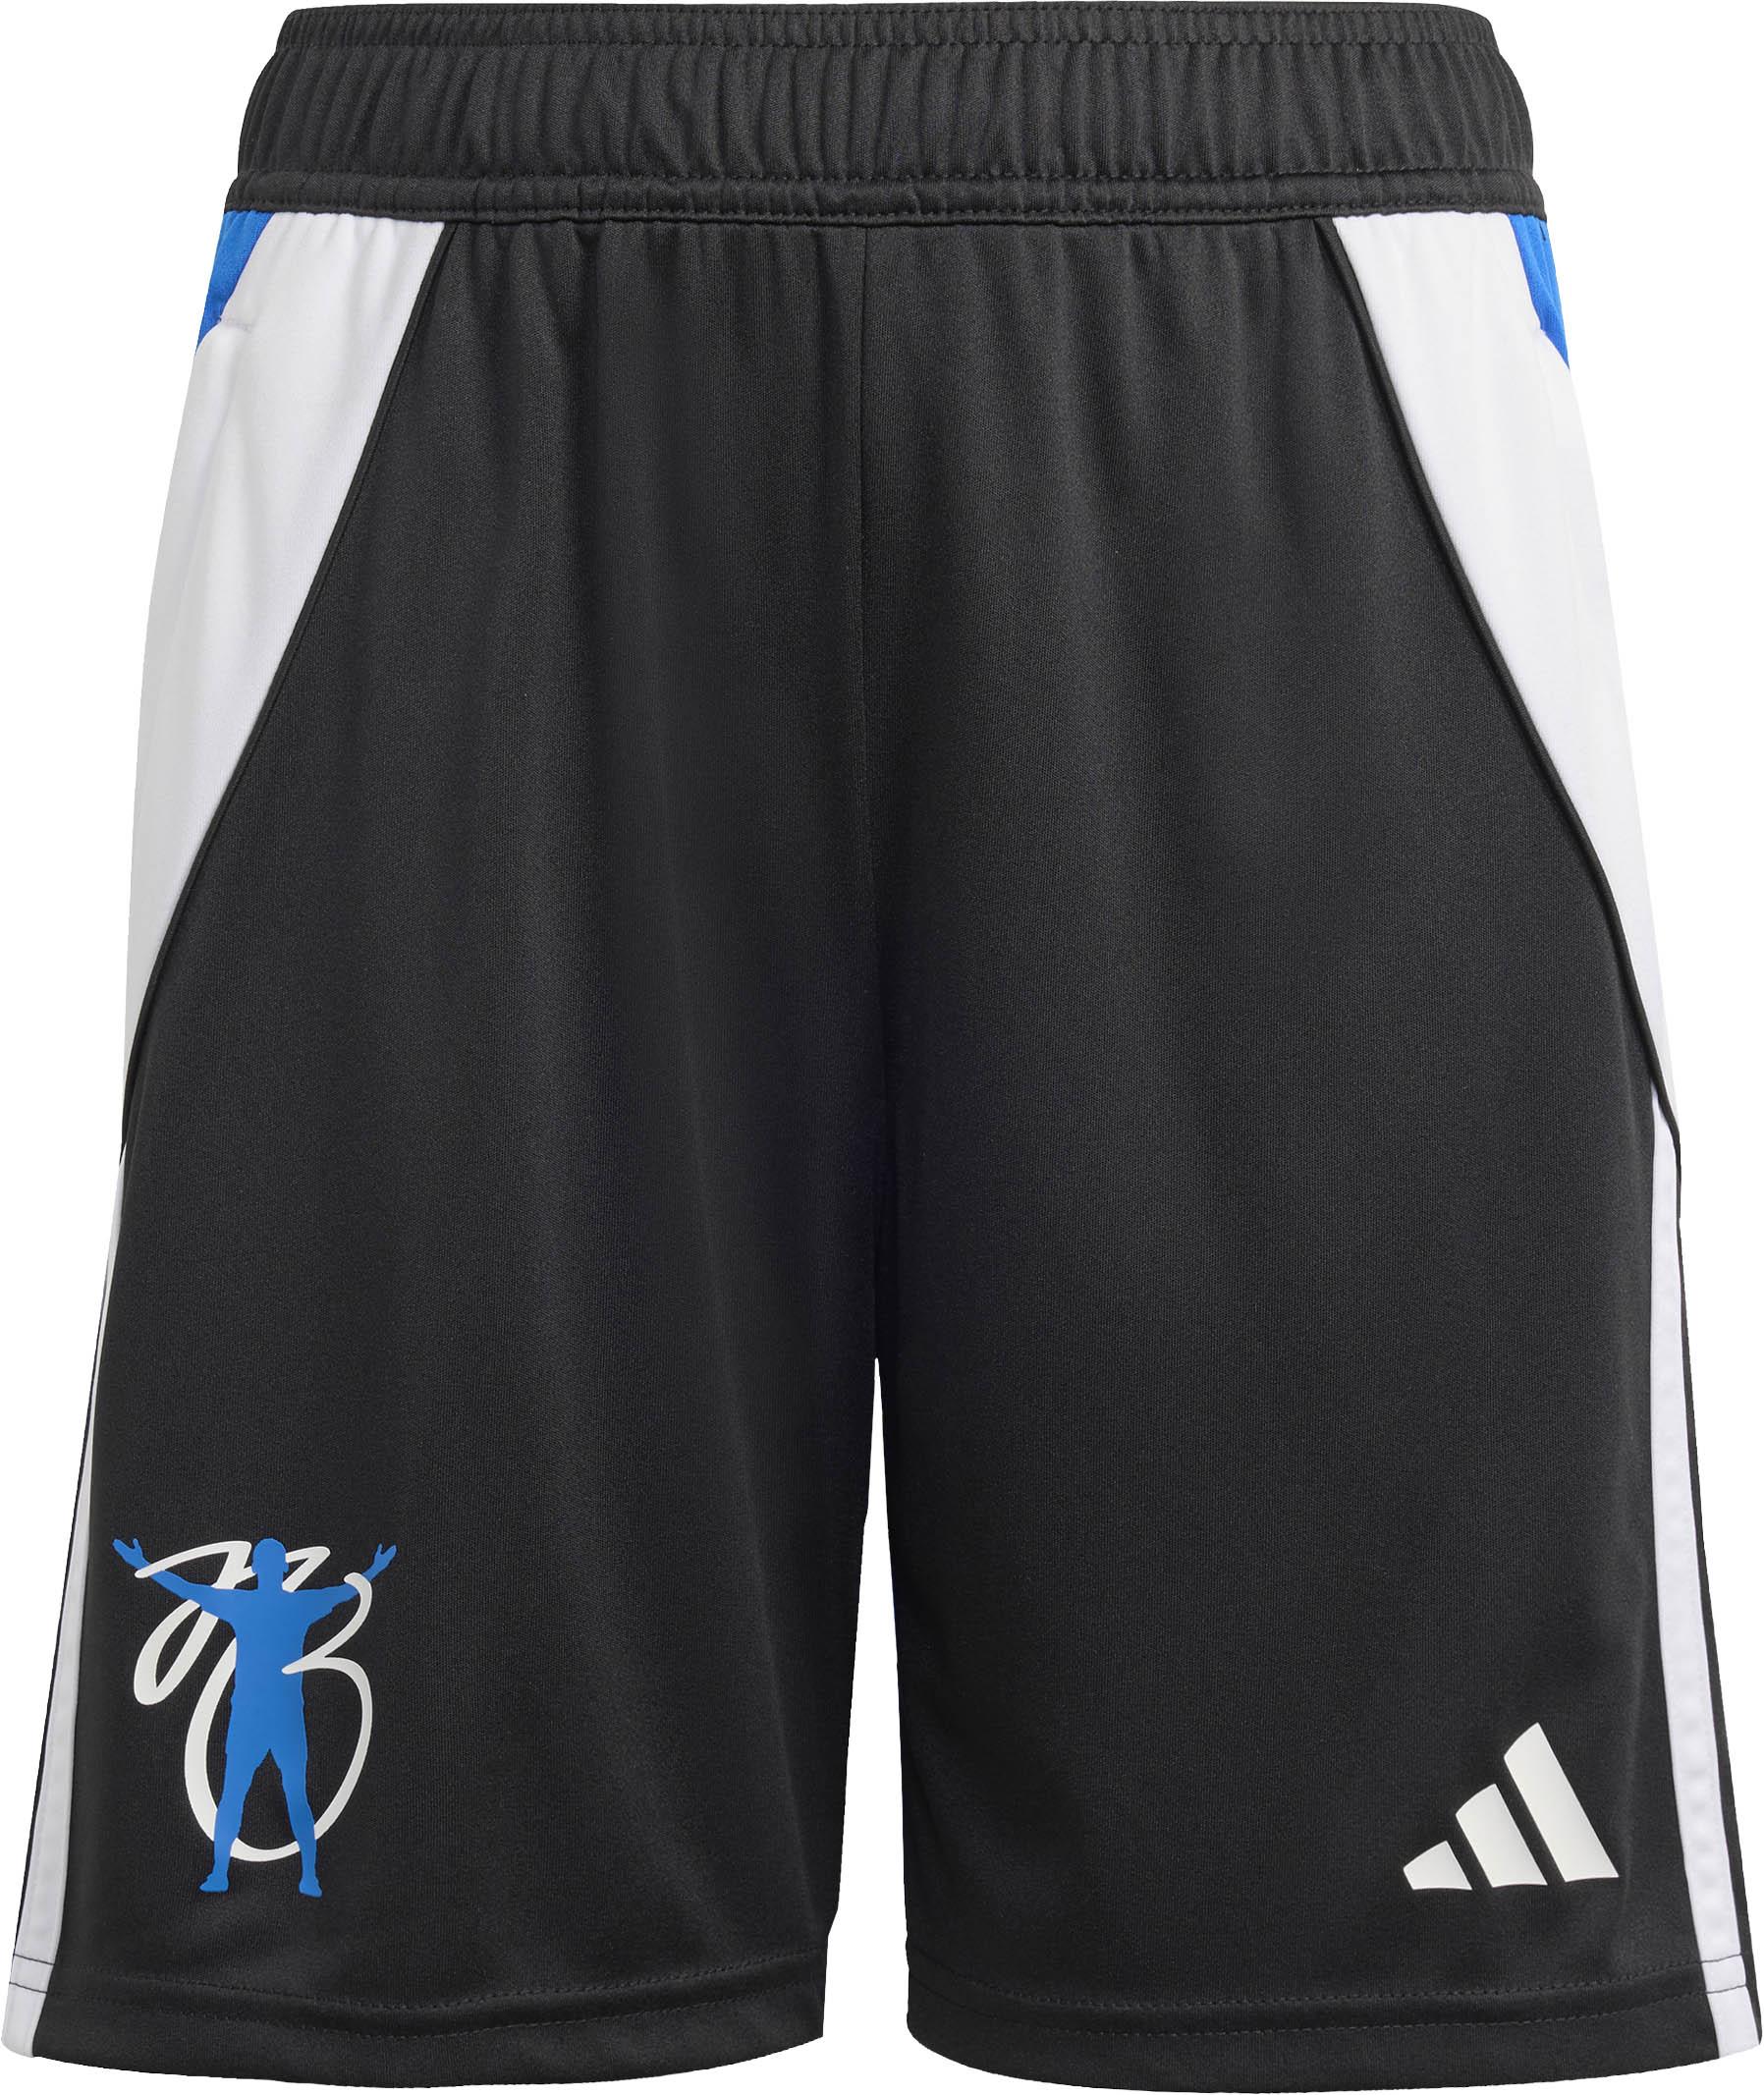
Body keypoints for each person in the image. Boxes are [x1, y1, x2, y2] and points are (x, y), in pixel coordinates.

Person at [111, 1536, 395, 1897]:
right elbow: (345, 1593)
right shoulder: (289, 1604)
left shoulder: (251, 1604)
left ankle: (251, 1874)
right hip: (272, 1716)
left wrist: (145, 1565)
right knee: (273, 1795)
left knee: (251, 1795)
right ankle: (277, 1875)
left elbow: (190, 1590)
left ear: (260, 1568)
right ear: (279, 1568)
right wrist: (372, 1570)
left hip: (262, 1716)